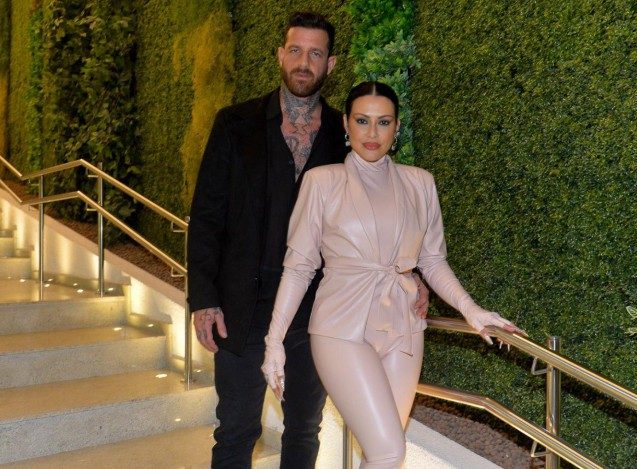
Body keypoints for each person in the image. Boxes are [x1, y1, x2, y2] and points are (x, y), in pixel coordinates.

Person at [187, 13, 428, 469]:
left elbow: (388, 212)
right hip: (240, 307)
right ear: (281, 55)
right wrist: (204, 298)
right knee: (236, 429)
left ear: (330, 63)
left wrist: (410, 275)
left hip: (318, 313)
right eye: (296, 50)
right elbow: (206, 217)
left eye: (315, 53)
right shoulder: (234, 124)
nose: (304, 62)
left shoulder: (349, 133)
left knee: (303, 429)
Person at [262, 81, 525, 468]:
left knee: (382, 453)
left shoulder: (420, 183)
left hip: (405, 327)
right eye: (362, 121)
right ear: (346, 125)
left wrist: (472, 310)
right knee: (389, 452)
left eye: (383, 122)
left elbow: (432, 261)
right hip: (340, 327)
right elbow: (299, 267)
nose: (372, 133)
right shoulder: (322, 182)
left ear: (397, 127)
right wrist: (274, 341)